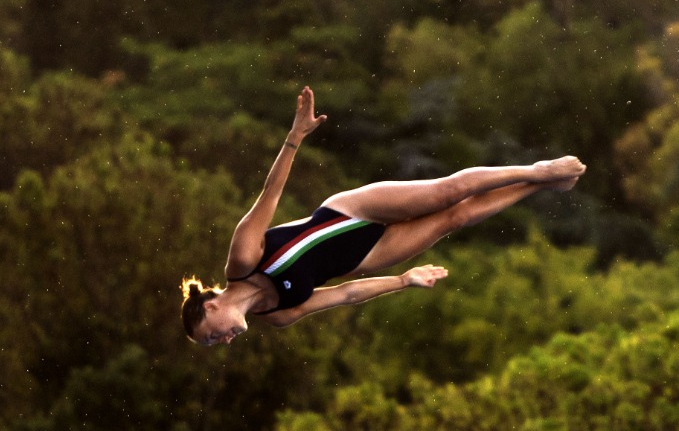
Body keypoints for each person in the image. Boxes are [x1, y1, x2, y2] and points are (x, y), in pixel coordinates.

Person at [180, 86, 584, 345]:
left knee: (449, 192)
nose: (223, 341)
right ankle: (544, 185)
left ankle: (537, 170)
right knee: (455, 218)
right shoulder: (278, 314)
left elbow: (271, 194)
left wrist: (295, 137)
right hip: (366, 256)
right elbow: (345, 294)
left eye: (211, 337)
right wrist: (403, 281)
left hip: (349, 211)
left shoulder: (243, 259)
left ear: (212, 308)